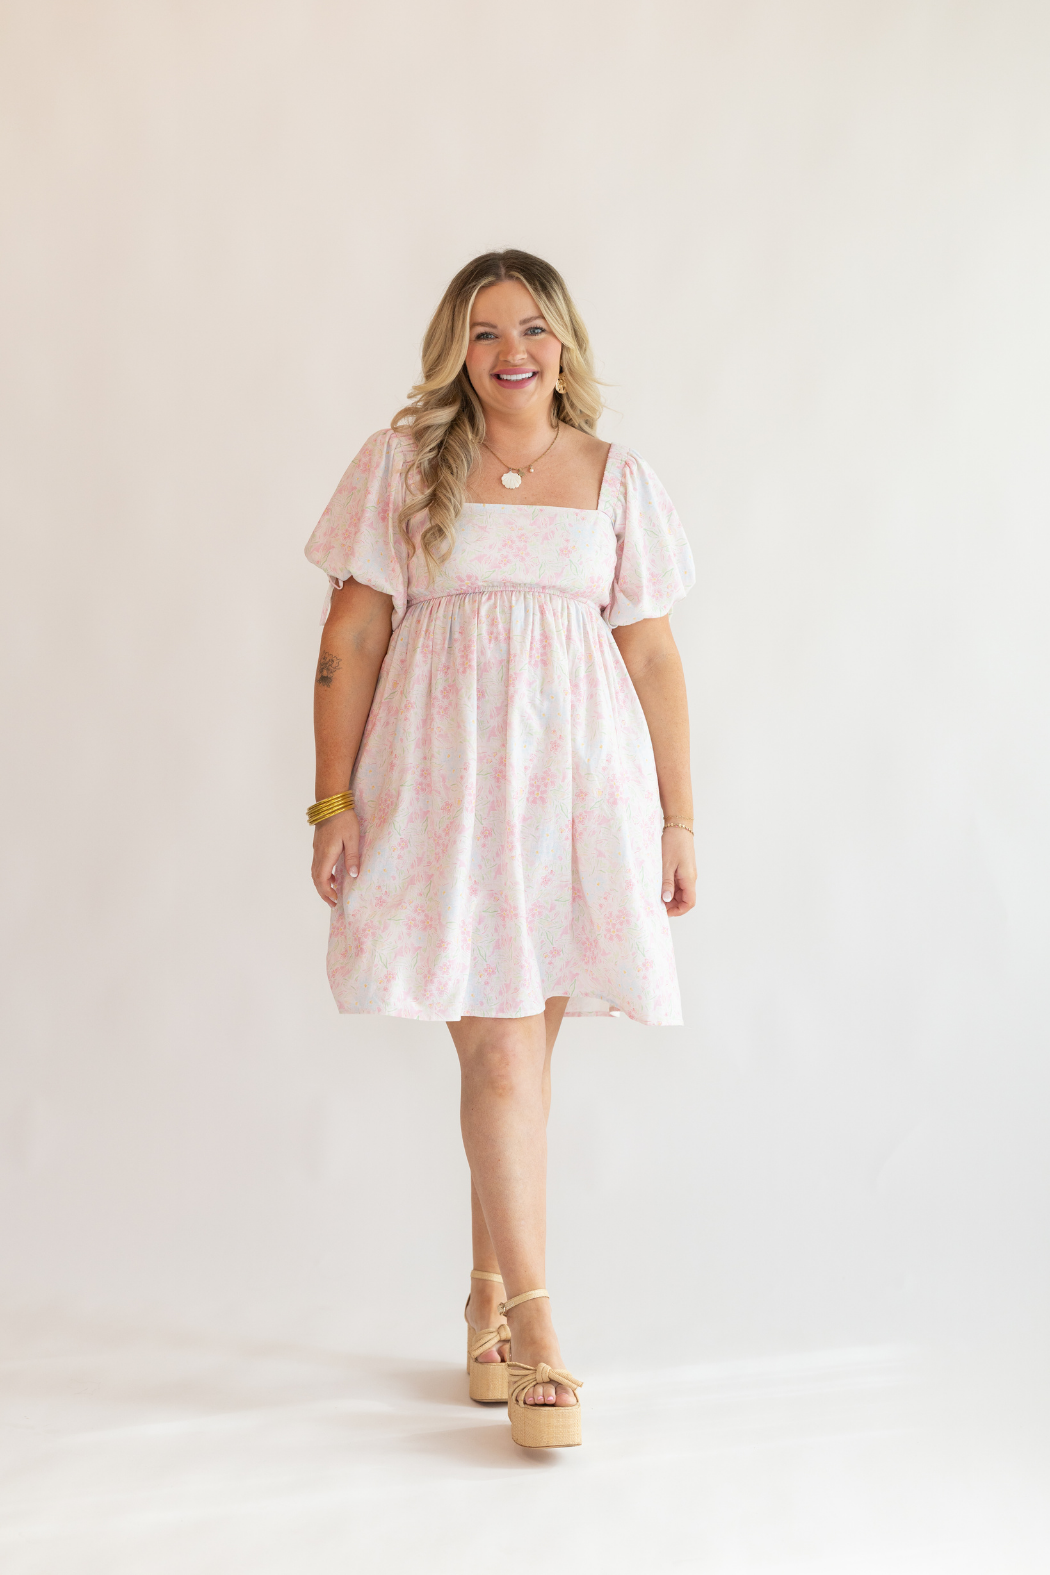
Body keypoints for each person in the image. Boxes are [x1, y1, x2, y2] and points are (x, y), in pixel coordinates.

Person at [305, 250, 695, 1448]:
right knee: (505, 1063)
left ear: (564, 343)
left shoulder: (617, 479)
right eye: (484, 333)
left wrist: (678, 817)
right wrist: (331, 801)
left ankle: (483, 1304)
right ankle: (536, 1335)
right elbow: (351, 635)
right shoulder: (401, 464)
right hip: (444, 797)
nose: (510, 352)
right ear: (455, 352)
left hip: (578, 799)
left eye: (531, 328)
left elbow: (652, 655)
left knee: (520, 1069)